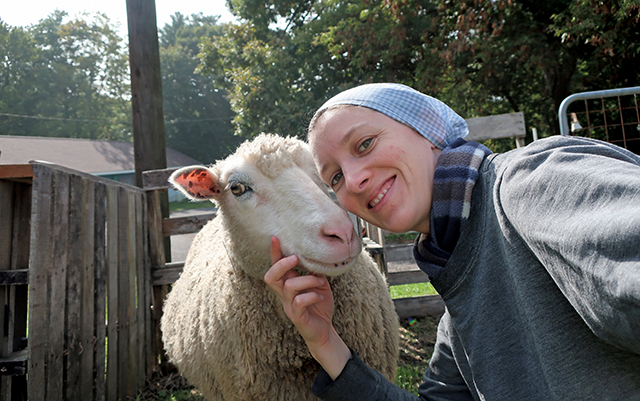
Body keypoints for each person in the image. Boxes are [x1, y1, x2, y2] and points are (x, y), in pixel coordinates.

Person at [264, 83, 640, 400]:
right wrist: (325, 341)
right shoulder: (456, 301)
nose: (354, 179)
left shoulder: (529, 185)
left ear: (428, 128)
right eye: (335, 179)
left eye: (364, 144)